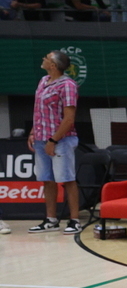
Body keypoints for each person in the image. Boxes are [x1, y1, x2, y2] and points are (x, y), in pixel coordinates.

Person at [27, 51, 82, 236]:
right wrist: (34, 131)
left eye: (46, 58)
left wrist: (53, 140)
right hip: (42, 138)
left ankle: (74, 220)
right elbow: (40, 111)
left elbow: (69, 119)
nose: (42, 59)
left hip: (61, 140)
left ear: (53, 65)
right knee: (47, 179)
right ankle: (51, 220)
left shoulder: (67, 85)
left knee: (66, 179)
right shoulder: (43, 81)